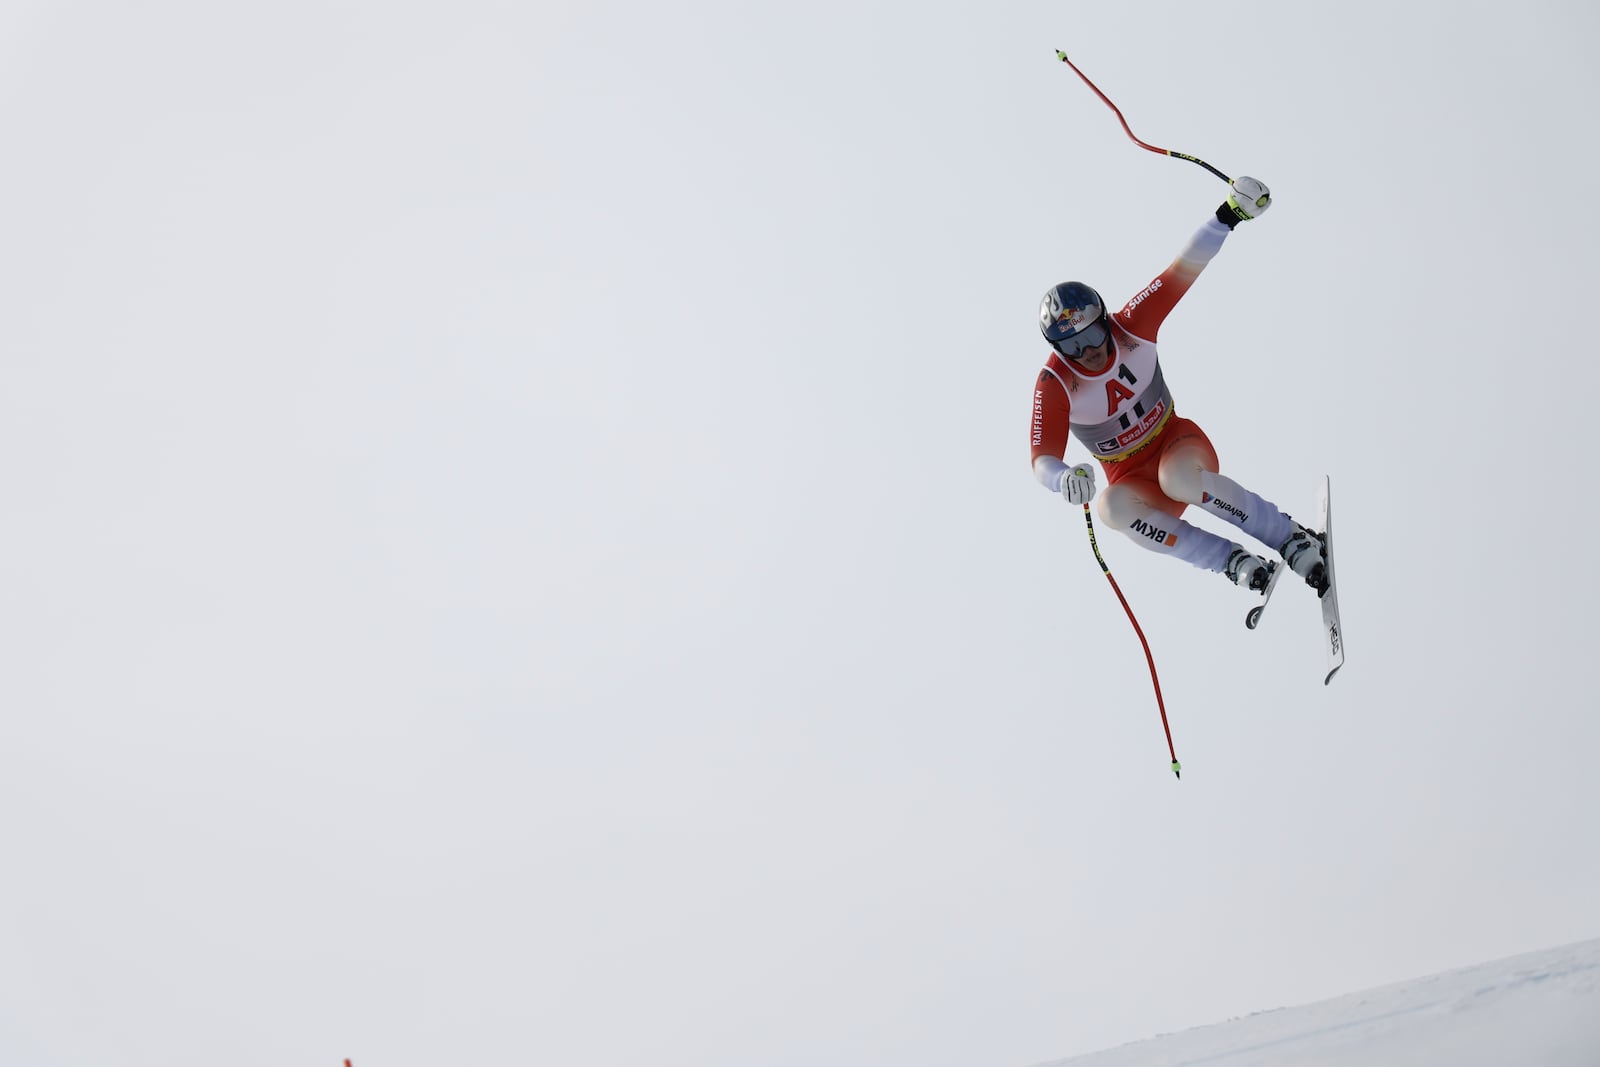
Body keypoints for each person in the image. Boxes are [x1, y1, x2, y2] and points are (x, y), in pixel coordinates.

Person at [1028, 177, 1326, 595]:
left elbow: (1182, 269)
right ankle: (1231, 561)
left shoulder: (1131, 324)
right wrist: (1064, 478)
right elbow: (1041, 458)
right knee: (1110, 509)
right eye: (1072, 346)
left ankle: (1288, 536)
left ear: (1104, 321)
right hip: (1134, 481)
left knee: (1179, 478)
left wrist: (1230, 215)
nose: (1088, 351)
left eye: (1093, 335)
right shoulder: (1055, 382)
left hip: (1177, 444)